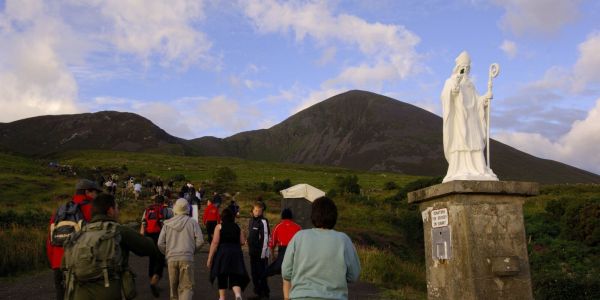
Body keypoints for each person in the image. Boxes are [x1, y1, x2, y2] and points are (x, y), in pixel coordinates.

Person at [62, 193, 160, 300]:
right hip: (110, 292)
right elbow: (149, 247)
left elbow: (64, 265)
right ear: (110, 211)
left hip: (79, 294)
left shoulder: (79, 234)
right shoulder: (119, 231)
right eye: (117, 208)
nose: (118, 212)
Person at [282, 197, 361, 300]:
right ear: (334, 216)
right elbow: (353, 276)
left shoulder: (299, 237)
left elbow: (286, 272)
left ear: (312, 215)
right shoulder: (344, 240)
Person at [441, 51, 498, 183]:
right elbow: (445, 97)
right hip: (459, 119)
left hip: (472, 119)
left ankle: (479, 169)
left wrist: (485, 98)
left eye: (467, 68)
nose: (465, 70)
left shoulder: (470, 85)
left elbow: (476, 100)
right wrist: (453, 91)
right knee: (461, 141)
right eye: (463, 67)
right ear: (458, 67)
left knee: (475, 142)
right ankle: (460, 169)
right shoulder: (450, 81)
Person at [46, 179, 101, 300]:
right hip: (82, 264)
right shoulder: (93, 208)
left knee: (61, 295)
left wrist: (54, 263)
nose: (97, 196)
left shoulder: (60, 210)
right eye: (96, 193)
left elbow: (50, 240)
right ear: (88, 192)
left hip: (58, 263)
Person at [158, 198, 204, 300]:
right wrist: (191, 251)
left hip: (172, 258)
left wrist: (167, 253)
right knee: (186, 287)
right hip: (187, 258)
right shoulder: (192, 222)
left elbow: (160, 243)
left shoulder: (167, 224)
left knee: (173, 288)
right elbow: (200, 241)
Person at [207, 208, 250, 300]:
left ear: (222, 217)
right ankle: (238, 295)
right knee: (235, 274)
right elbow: (242, 241)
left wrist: (210, 258)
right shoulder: (237, 227)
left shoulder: (219, 227)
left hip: (223, 252)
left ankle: (222, 297)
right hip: (236, 253)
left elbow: (215, 242)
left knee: (222, 274)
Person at [140, 195, 174, 297]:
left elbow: (143, 224)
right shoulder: (167, 211)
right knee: (160, 260)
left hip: (149, 237)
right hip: (160, 237)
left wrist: (142, 237)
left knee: (152, 259)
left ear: (154, 201)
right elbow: (171, 225)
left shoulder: (148, 210)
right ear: (163, 202)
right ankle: (154, 282)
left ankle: (152, 281)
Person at [266, 208, 301, 277]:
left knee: (283, 273)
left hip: (283, 252)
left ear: (282, 216)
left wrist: (273, 256)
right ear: (291, 217)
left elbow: (272, 244)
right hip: (295, 252)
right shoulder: (298, 227)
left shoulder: (278, 226)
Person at [247, 201, 270, 299]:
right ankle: (258, 291)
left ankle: (264, 293)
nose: (257, 212)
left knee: (261, 273)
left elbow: (265, 238)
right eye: (255, 210)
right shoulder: (251, 221)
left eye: (259, 211)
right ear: (252, 210)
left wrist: (263, 254)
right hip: (253, 252)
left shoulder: (263, 221)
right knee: (254, 273)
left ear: (262, 211)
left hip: (261, 253)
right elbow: (251, 235)